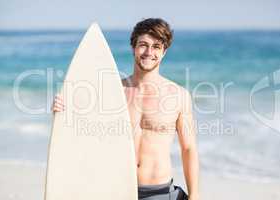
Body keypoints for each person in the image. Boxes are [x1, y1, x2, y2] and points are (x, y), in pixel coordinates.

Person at [53, 18, 199, 200]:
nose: (149, 52)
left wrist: (194, 195)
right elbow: (82, 133)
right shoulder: (112, 92)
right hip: (115, 189)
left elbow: (188, 148)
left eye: (156, 46)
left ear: (164, 52)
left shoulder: (179, 96)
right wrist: (61, 110)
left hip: (159, 192)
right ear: (133, 47)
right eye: (143, 45)